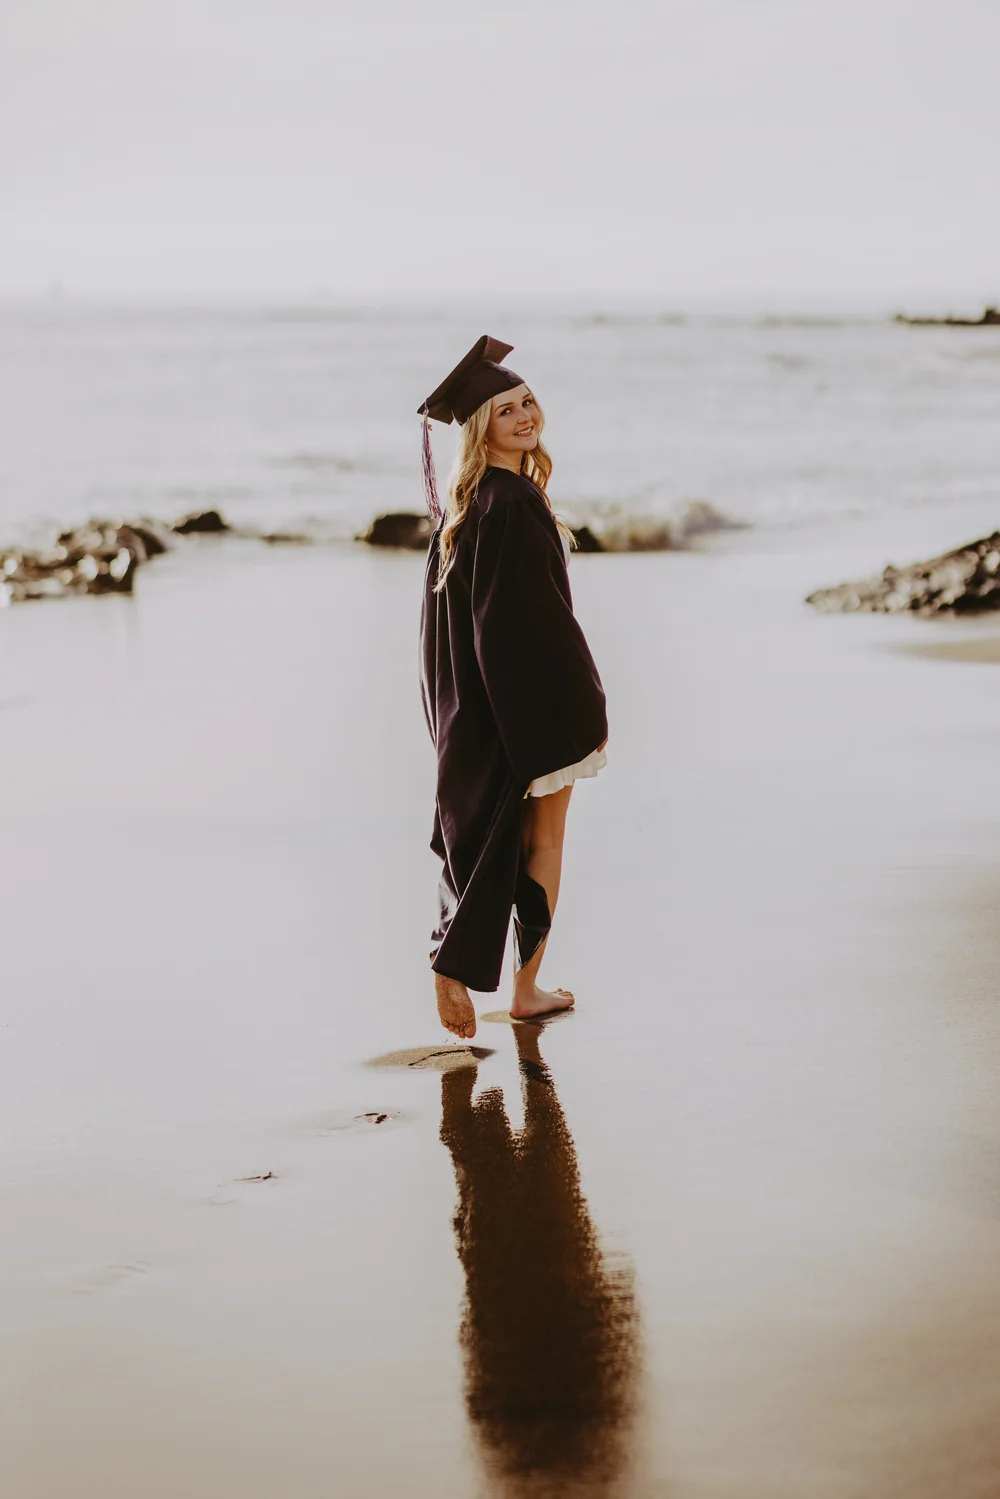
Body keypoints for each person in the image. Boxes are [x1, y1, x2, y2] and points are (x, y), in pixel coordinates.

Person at [418, 336, 609, 1039]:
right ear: (481, 428)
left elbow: (449, 631)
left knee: (494, 840)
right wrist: (577, 710)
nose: (525, 416)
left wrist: (464, 720)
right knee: (544, 842)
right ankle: (525, 989)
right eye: (506, 410)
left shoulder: (467, 506)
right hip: (535, 708)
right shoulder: (514, 501)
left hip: (486, 708)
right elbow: (529, 625)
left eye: (528, 401)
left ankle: (458, 954)